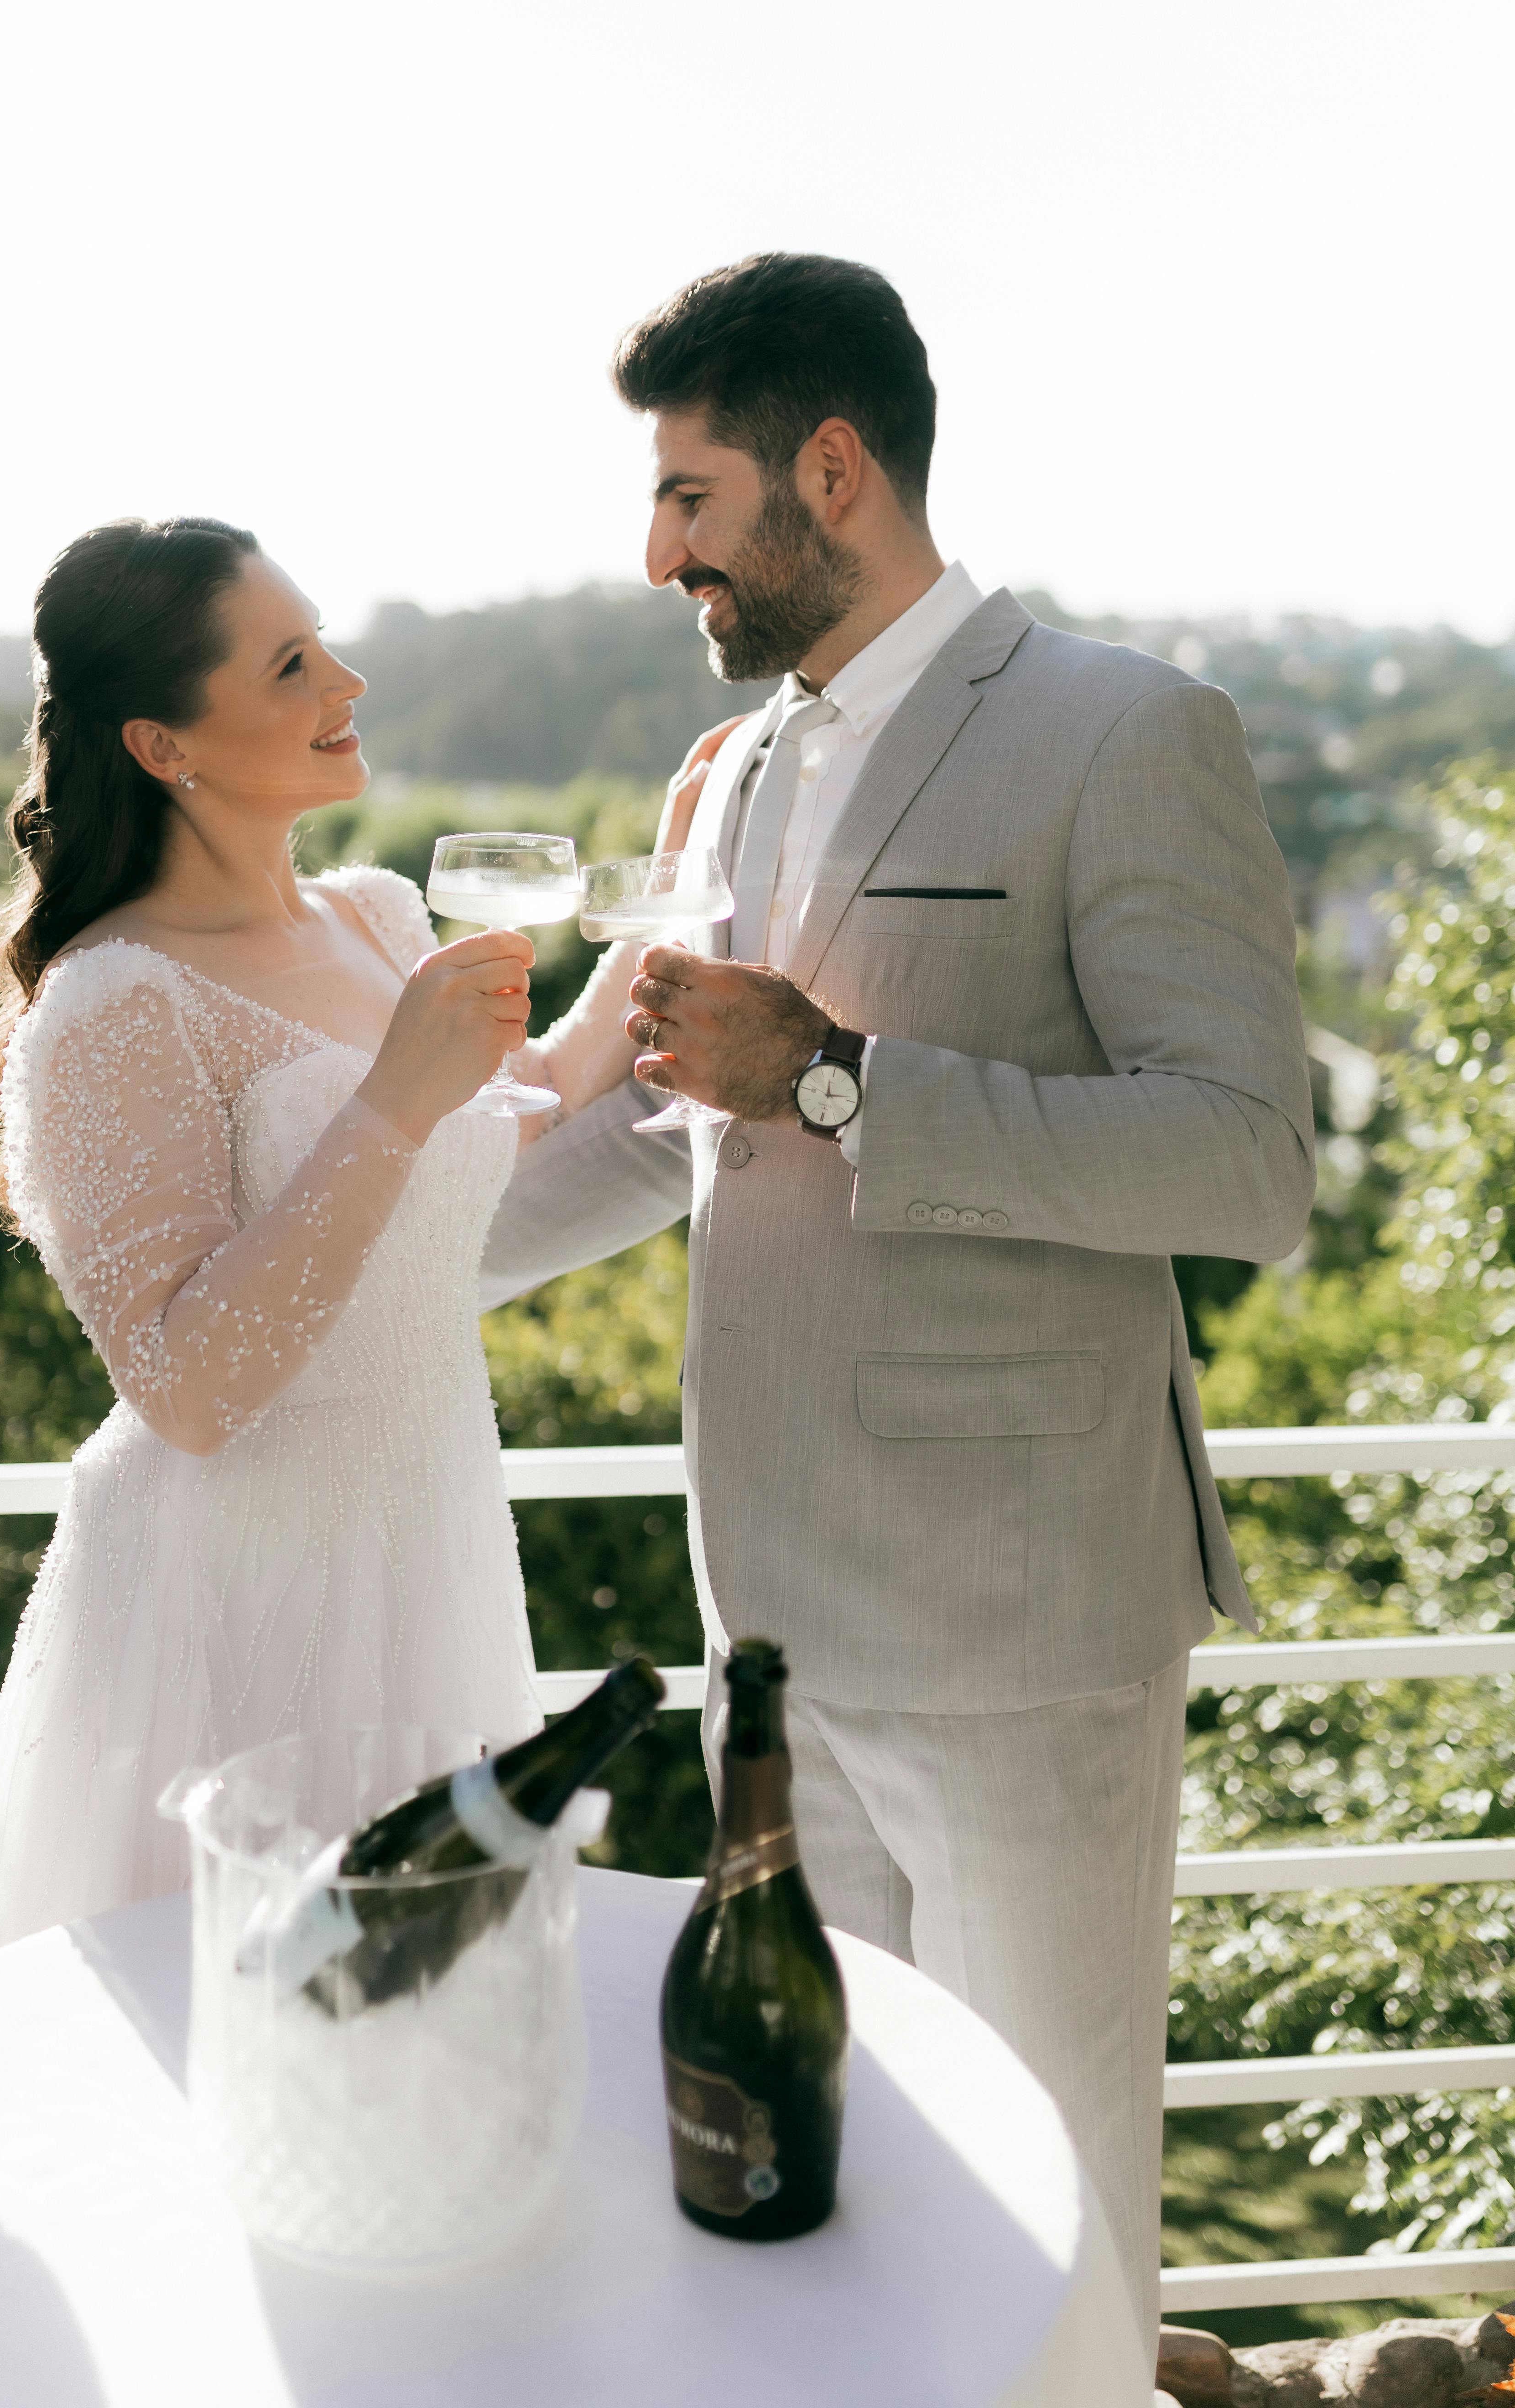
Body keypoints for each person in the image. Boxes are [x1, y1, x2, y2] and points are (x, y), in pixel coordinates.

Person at [482, 253, 1315, 2344]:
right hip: (761, 1622)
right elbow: (691, 1123)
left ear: (826, 471)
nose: (650, 545)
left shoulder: (1126, 730)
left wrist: (843, 1077)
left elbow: (1243, 1161)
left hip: (1021, 1616)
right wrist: (383, 1265)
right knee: (834, 2196)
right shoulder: (729, 774)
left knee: (1045, 2215)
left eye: (686, 496)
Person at [0, 516, 646, 1961]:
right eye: (290, 662)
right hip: (229, 1606)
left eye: (323, 642)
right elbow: (190, 1391)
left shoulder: (380, 914)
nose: (348, 680)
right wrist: (392, 1096)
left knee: (448, 2019)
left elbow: (506, 1115)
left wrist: (655, 934)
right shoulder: (110, 1006)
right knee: (249, 2042)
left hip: (433, 1537)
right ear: (165, 744)